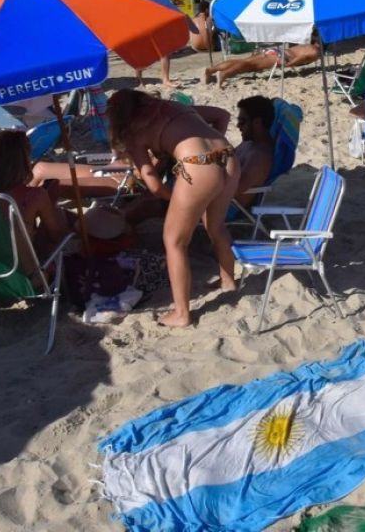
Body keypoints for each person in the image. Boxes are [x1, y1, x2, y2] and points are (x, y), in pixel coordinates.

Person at [107, 90, 240, 328]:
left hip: (198, 166)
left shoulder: (132, 132)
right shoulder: (174, 107)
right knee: (216, 225)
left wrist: (179, 199)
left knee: (174, 241)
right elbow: (222, 115)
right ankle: (228, 280)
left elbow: (154, 186)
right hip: (228, 156)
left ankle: (181, 314)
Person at [0, 131, 71, 274]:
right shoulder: (33, 196)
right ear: (25, 159)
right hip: (26, 279)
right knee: (58, 217)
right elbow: (57, 235)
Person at [201, 37, 322, 87]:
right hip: (280, 57)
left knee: (244, 61)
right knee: (249, 65)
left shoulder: (307, 45)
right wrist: (288, 65)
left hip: (276, 51)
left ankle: (211, 70)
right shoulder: (315, 51)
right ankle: (224, 74)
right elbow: (301, 58)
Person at [131, 0, 178, 89]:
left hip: (158, 22)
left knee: (165, 51)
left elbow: (163, 1)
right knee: (141, 54)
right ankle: (140, 80)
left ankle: (166, 79)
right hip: (143, 23)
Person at [233, 95, 276, 209]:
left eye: (242, 122)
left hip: (225, 208)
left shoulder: (260, 157)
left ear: (257, 122)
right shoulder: (249, 142)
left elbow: (234, 190)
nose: (238, 126)